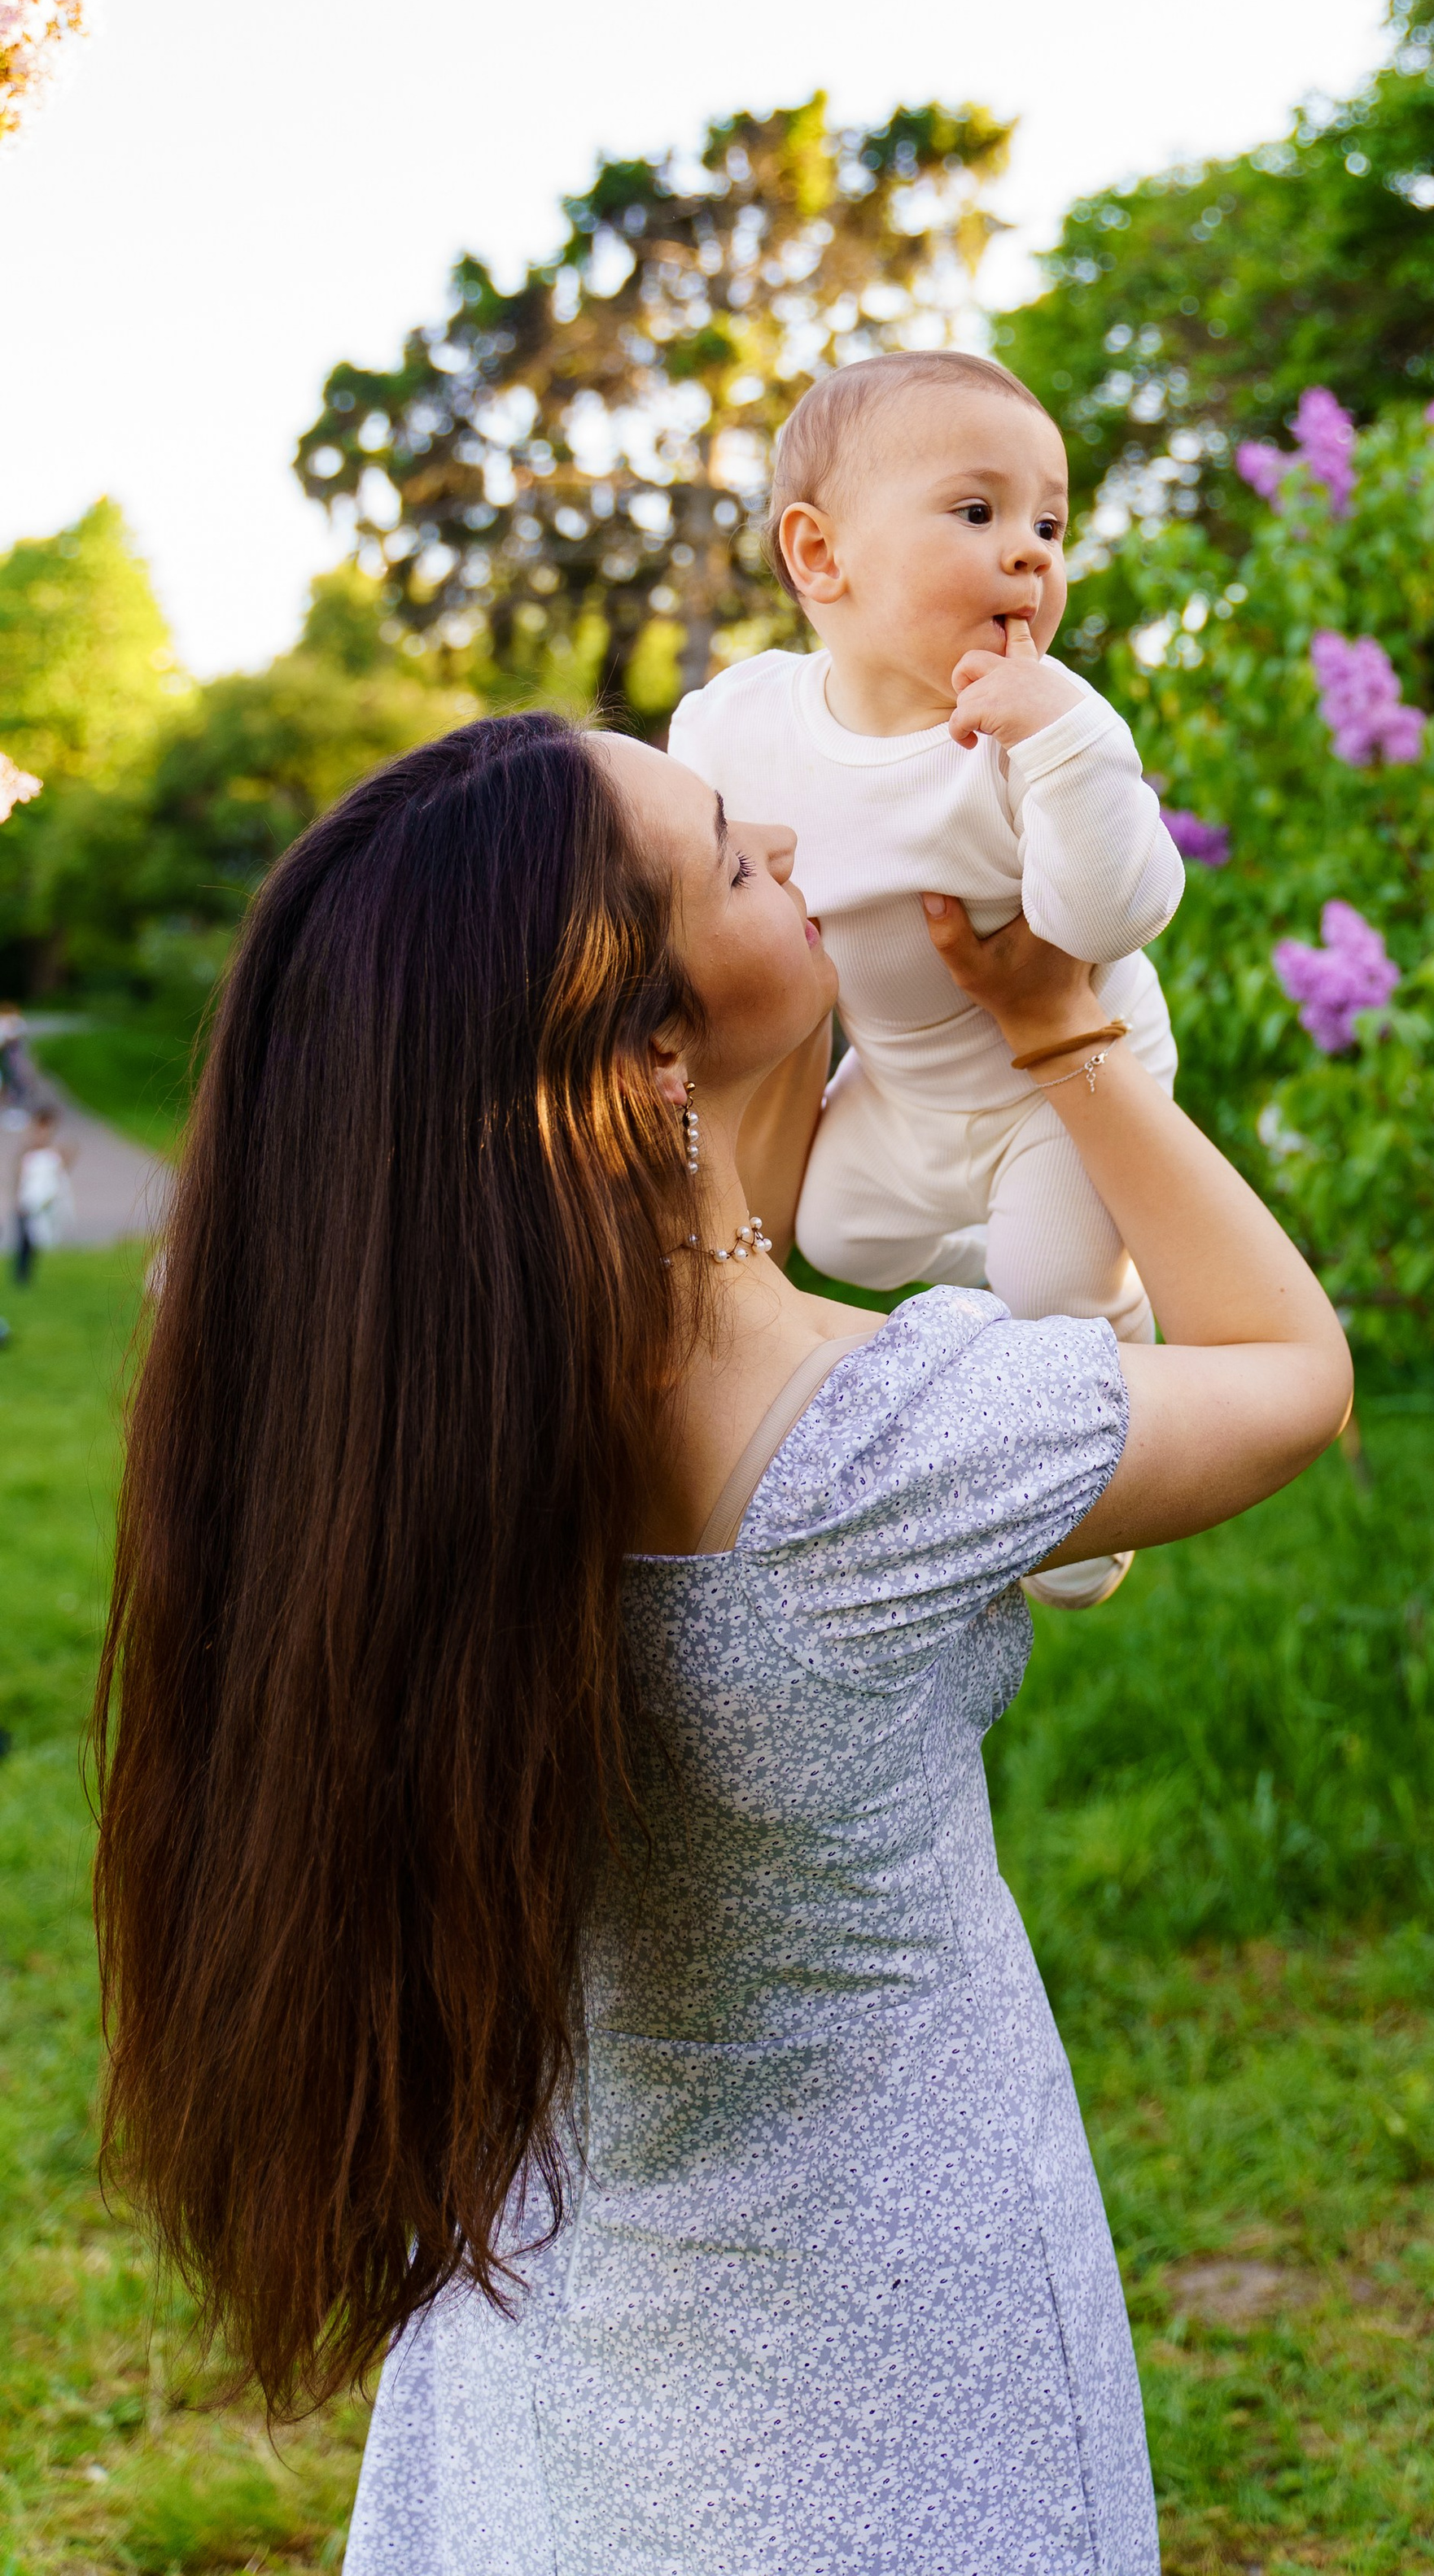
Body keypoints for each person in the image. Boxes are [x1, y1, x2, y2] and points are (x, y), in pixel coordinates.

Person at [94, 712, 1349, 2576]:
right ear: (640, 1048)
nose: (781, 825)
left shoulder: (351, 1383)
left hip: (551, 2313)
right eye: (737, 857)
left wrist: (799, 1008)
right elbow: (1285, 1372)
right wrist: (1069, 1035)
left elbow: (712, 1208)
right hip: (879, 2351)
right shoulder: (872, 1449)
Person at [670, 349, 1186, 1613]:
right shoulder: (745, 720)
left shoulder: (1036, 734)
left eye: (1051, 524)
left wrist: (1069, 741)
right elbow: (684, 839)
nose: (1031, 553)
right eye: (979, 512)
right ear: (820, 557)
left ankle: (1113, 1423)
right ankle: (995, 1270)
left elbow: (1116, 912)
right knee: (839, 1232)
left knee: (1056, 1292)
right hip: (899, 1082)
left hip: (1060, 1086)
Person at [13, 1107, 72, 1281]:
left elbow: (60, 1173)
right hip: (29, 1198)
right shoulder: (29, 1151)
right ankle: (22, 1274)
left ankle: (27, 1273)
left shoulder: (53, 1151)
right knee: (26, 1237)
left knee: (38, 1235)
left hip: (44, 1198)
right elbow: (21, 1176)